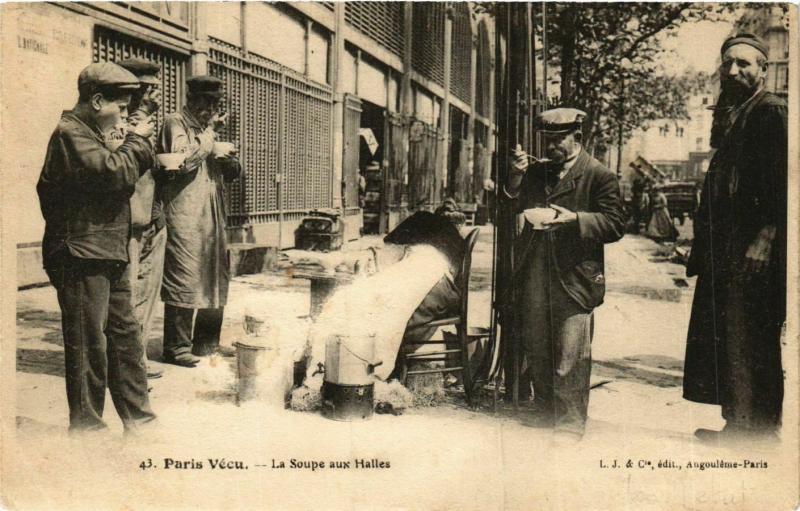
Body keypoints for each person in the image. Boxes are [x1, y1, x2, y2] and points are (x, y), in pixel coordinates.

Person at [37, 62, 158, 433]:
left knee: (125, 341)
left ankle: (140, 421)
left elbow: (118, 174)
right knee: (89, 346)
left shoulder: (91, 131)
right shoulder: (70, 134)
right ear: (97, 100)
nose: (124, 116)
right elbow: (113, 174)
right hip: (81, 254)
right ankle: (87, 430)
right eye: (120, 108)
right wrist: (137, 140)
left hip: (108, 248)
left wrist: (130, 144)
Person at [683, 33, 787, 443]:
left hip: (754, 249)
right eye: (728, 63)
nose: (733, 71)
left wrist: (766, 236)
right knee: (731, 333)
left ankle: (758, 430)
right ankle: (739, 423)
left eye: (744, 64)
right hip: (727, 248)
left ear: (763, 69)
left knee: (752, 335)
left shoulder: (771, 112)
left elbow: (786, 184)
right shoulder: (735, 111)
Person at [506, 108, 625, 443]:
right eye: (548, 140)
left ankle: (571, 423)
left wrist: (574, 219)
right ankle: (546, 410)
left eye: (559, 140)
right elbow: (511, 206)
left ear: (578, 138)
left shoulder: (599, 175)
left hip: (575, 275)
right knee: (537, 344)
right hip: (535, 270)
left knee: (570, 352)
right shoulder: (537, 173)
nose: (552, 147)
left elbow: (616, 224)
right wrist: (514, 179)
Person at [158, 75, 242, 367]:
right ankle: (176, 347)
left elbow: (232, 174)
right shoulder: (175, 122)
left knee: (216, 274)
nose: (211, 109)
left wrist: (231, 162)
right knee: (185, 274)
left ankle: (207, 343)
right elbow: (183, 161)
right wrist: (209, 137)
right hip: (185, 212)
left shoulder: (210, 129)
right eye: (206, 102)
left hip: (213, 211)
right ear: (191, 100)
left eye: (215, 103)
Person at [113, 58, 166, 380]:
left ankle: (137, 362)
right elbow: (119, 166)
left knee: (146, 295)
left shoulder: (143, 120)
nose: (149, 95)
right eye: (143, 89)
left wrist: (157, 206)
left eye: (152, 89)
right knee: (128, 297)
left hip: (148, 216)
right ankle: (125, 370)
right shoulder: (114, 121)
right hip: (125, 222)